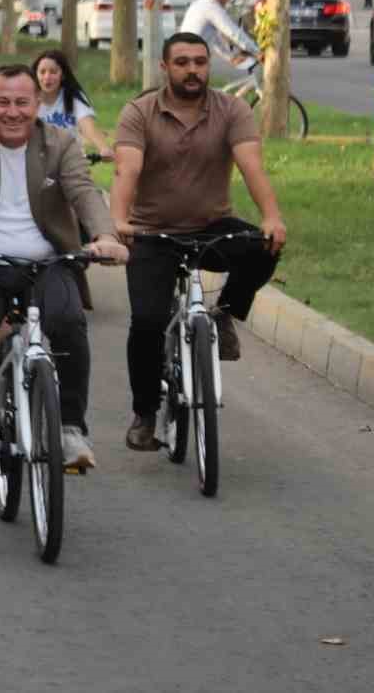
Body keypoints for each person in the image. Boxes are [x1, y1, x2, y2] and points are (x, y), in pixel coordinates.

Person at [0, 64, 127, 471]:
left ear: (37, 105)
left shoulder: (60, 143)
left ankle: (69, 427)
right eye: (2, 102)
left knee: (68, 325)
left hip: (49, 263)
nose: (12, 112)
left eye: (21, 102)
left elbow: (84, 192)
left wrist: (106, 237)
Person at [110, 31, 286, 452]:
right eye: (183, 62)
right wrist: (118, 220)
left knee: (264, 246)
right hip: (151, 232)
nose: (193, 70)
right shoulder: (139, 112)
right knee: (148, 324)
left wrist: (271, 216)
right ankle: (145, 414)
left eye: (200, 62)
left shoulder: (232, 109)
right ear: (165, 67)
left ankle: (225, 314)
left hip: (211, 225)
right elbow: (126, 172)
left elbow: (251, 166)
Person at [32, 49, 113, 158]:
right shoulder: (28, 99)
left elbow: (88, 127)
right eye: (42, 72)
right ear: (35, 74)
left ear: (63, 75)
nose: (47, 77)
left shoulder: (72, 97)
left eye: (53, 72)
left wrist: (103, 148)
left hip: (70, 163)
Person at [178, 0, 261, 68]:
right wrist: (257, 52)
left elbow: (214, 38)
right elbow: (233, 32)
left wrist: (230, 57)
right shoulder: (213, 8)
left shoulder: (203, 3)